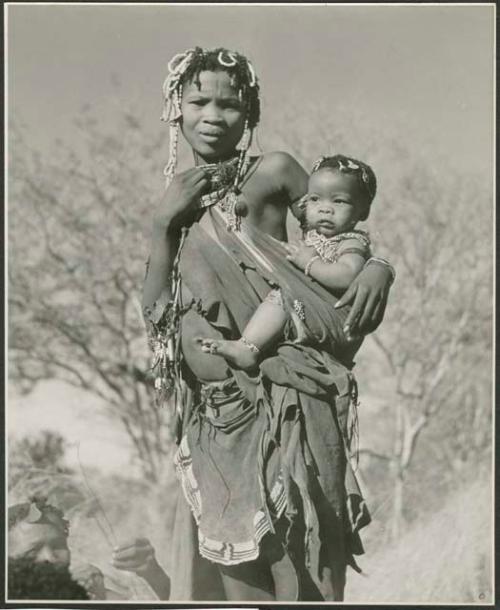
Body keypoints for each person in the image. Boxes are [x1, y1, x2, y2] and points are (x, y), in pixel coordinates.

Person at [143, 46, 395, 601]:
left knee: (300, 571)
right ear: (175, 110)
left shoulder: (275, 171)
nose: (213, 116)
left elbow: (341, 221)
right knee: (236, 583)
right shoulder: (173, 200)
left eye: (229, 105)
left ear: (250, 112)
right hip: (216, 419)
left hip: (285, 403)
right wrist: (163, 223)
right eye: (198, 101)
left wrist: (379, 266)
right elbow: (156, 318)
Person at [199, 153, 377, 370]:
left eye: (338, 201)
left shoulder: (351, 241)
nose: (325, 208)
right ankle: (251, 346)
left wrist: (309, 263)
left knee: (284, 297)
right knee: (280, 295)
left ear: (363, 212)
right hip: (314, 310)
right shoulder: (317, 238)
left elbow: (347, 275)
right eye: (315, 199)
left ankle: (248, 348)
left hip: (337, 318)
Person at [8, 497, 171, 600]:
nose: (50, 558)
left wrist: (155, 575)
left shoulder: (90, 591)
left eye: (58, 545)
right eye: (32, 551)